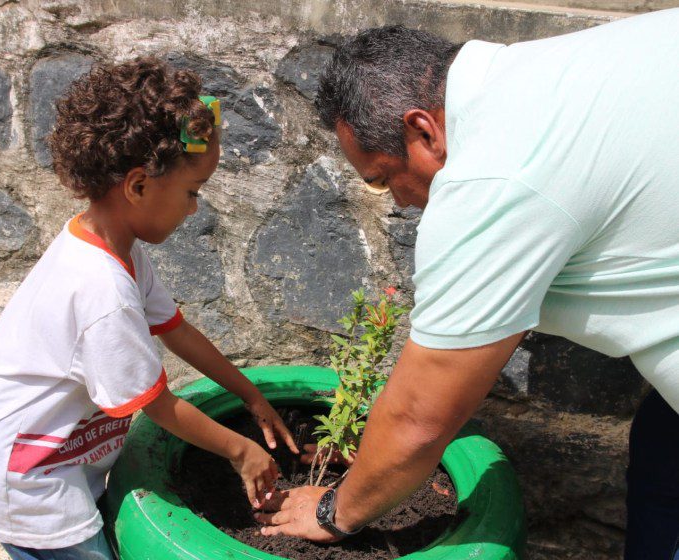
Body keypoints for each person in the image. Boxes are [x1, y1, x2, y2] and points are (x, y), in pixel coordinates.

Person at [256, 10, 679, 560]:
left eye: (384, 179)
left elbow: (417, 421)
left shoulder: (489, 181)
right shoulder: (549, 70)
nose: (402, 204)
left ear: (422, 129)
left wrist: (335, 512)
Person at [0, 57, 298, 560]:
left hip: (37, 452)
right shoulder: (100, 290)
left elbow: (177, 331)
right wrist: (242, 451)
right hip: (19, 475)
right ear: (138, 185)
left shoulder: (116, 247)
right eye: (192, 192)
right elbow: (158, 404)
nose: (195, 208)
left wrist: (250, 396)